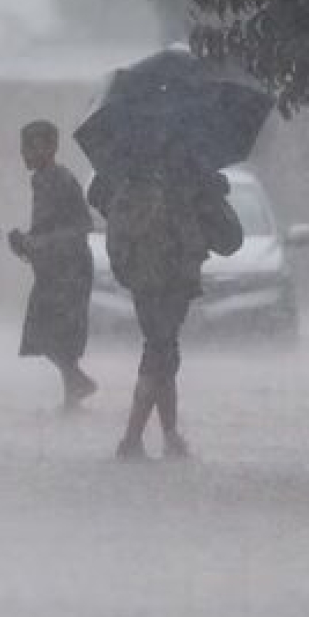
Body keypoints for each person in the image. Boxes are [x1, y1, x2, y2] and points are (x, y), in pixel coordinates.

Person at [91, 146, 242, 461]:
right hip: (173, 278)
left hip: (141, 277)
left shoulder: (126, 168)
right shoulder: (187, 170)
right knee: (160, 352)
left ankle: (170, 437)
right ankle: (131, 440)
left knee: (163, 349)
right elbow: (229, 238)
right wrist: (211, 187)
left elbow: (98, 197)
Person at [9, 120, 97, 410]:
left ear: (50, 147)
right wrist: (25, 241)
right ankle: (73, 392)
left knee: (49, 332)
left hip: (70, 269)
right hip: (52, 269)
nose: (24, 153)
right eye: (22, 146)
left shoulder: (61, 179)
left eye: (30, 146)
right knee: (48, 331)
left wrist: (39, 243)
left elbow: (82, 225)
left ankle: (76, 385)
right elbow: (47, 227)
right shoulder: (41, 180)